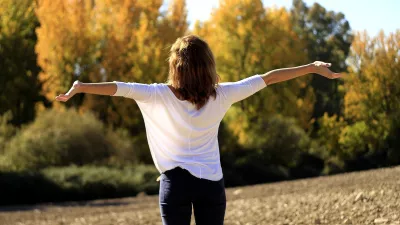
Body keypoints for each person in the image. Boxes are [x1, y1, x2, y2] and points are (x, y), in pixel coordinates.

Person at [55, 35, 341, 225]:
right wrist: (312, 67)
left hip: (174, 185)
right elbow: (268, 78)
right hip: (211, 183)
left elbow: (119, 88)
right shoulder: (224, 94)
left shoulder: (157, 94)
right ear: (208, 66)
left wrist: (81, 88)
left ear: (175, 67)